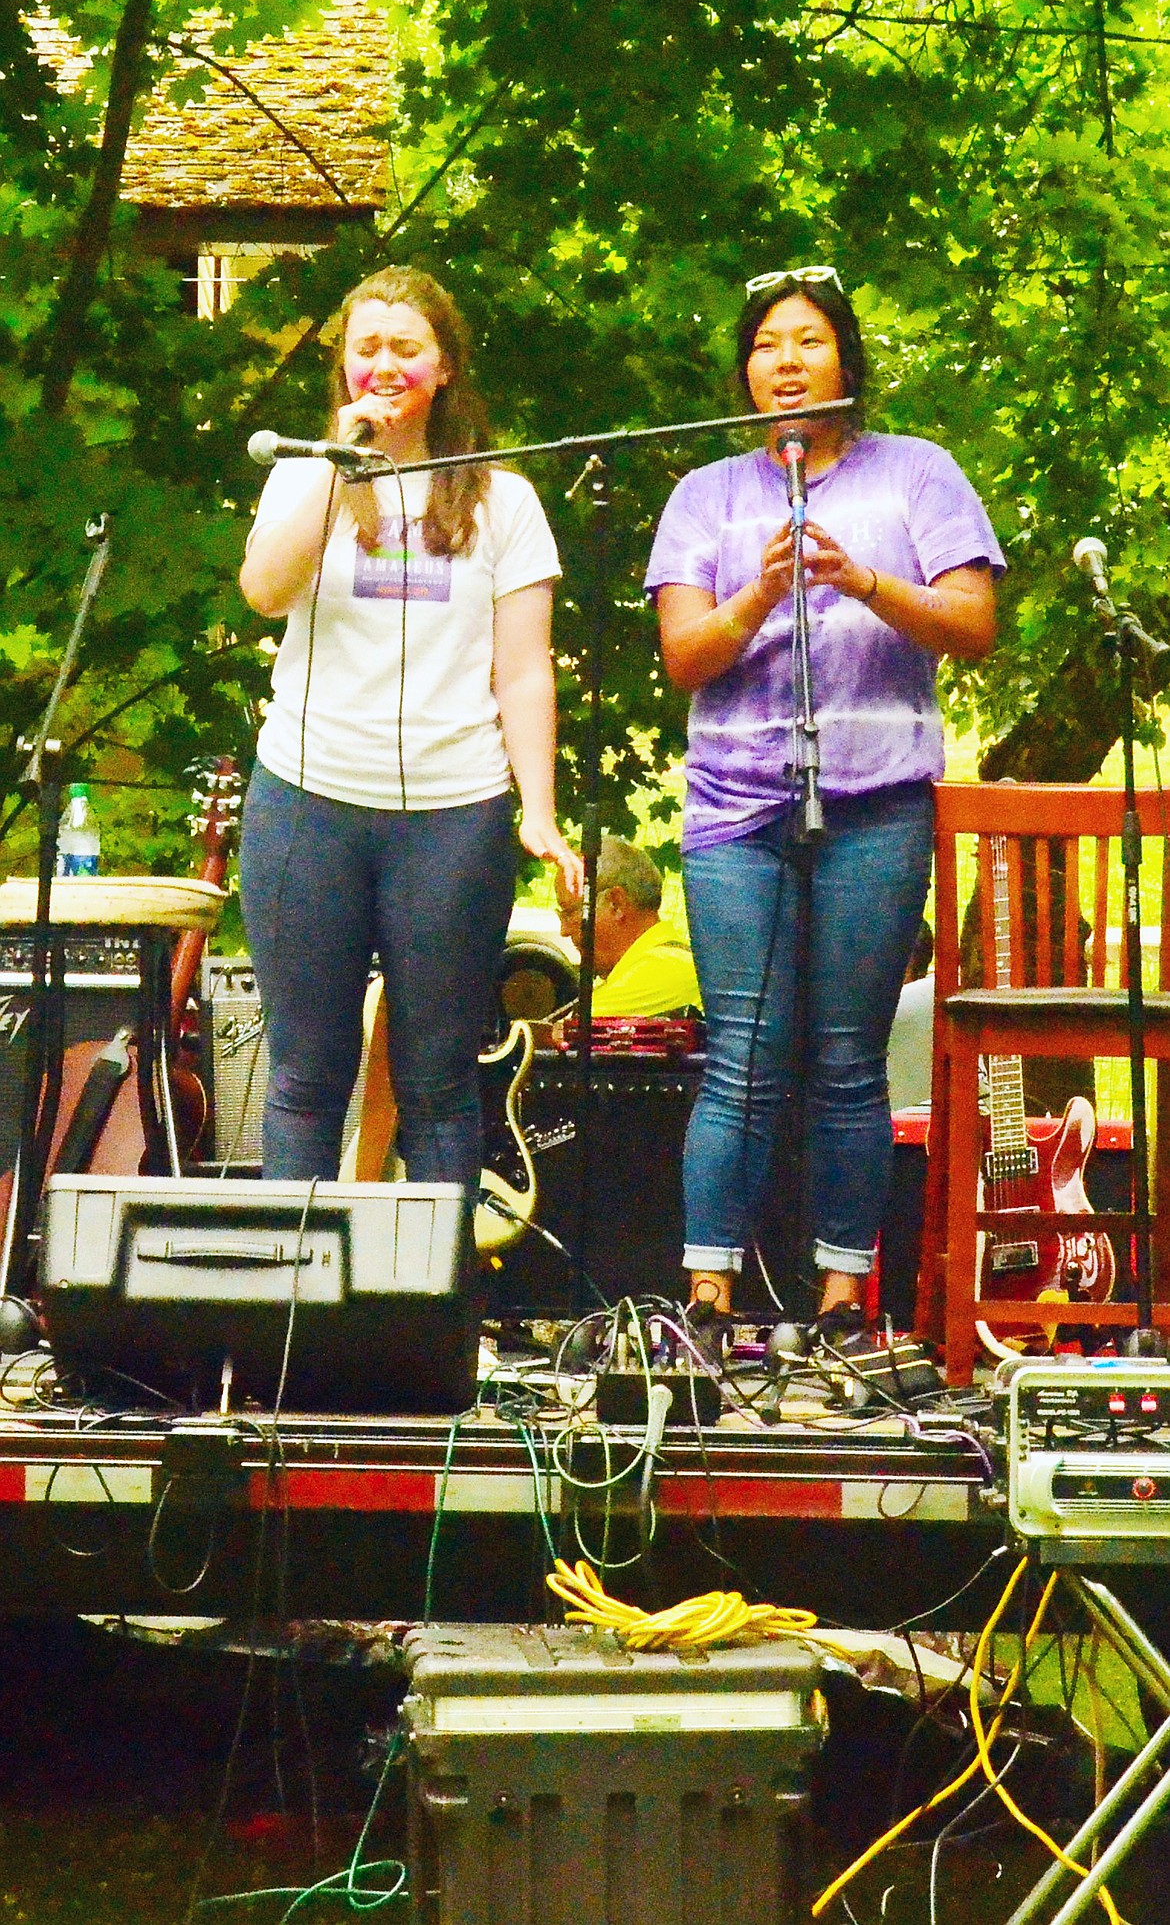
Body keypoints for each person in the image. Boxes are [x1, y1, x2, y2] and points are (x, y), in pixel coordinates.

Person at [644, 266, 1003, 1334]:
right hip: (736, 807)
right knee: (743, 1053)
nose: (786, 359)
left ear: (845, 358)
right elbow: (683, 655)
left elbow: (974, 623)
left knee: (849, 1055)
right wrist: (760, 590)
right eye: (766, 344)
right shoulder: (707, 493)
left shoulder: (919, 475)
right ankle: (707, 1292)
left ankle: (845, 1293)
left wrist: (864, 583)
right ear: (746, 374)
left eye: (807, 340)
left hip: (879, 802)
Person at [238, 265, 581, 1197]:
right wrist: (335, 459)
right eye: (365, 349)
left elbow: (522, 667)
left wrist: (537, 810)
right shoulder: (305, 477)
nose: (382, 365)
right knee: (307, 1079)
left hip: (451, 812)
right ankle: (287, 1329)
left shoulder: (503, 502)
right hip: (308, 800)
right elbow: (265, 591)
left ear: (444, 369)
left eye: (405, 348)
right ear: (344, 367)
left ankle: (438, 1331)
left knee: (436, 1085)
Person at [555, 835, 702, 1019]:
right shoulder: (670, 960)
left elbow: (559, 1031)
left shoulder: (659, 969)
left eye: (569, 913)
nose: (564, 931)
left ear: (616, 904)